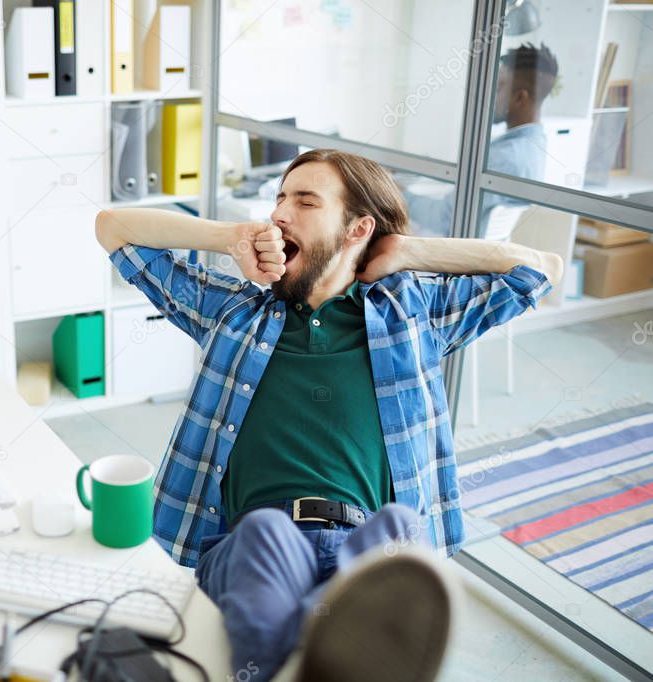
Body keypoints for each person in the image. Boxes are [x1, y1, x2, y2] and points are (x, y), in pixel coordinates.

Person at [94, 148, 563, 681]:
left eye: (305, 201)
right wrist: (231, 238)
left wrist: (405, 251)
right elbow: (113, 228)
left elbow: (541, 269)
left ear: (355, 229)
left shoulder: (413, 317)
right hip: (256, 543)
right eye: (279, 199)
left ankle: (301, 654)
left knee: (401, 527)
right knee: (267, 533)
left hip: (362, 548)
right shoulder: (234, 310)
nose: (278, 214)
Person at [406, 43, 560, 238]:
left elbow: (445, 220)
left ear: (520, 98)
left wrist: (401, 195)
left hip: (455, 249)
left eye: (499, 88)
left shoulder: (505, 156)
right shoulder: (534, 144)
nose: (491, 97)